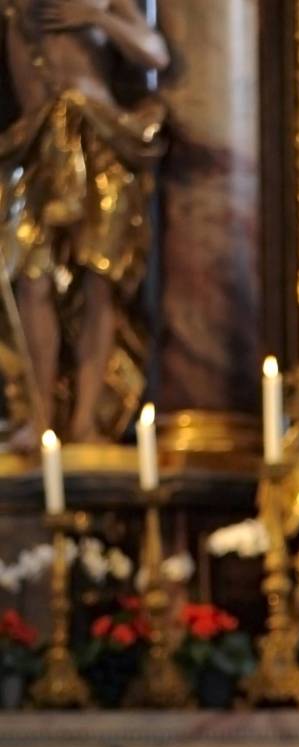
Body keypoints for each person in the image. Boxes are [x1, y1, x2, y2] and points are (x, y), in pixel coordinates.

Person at [0, 0, 169, 449]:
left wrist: (96, 17)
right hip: (35, 143)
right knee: (31, 277)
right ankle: (39, 418)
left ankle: (87, 421)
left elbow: (156, 53)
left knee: (101, 275)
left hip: (97, 135)